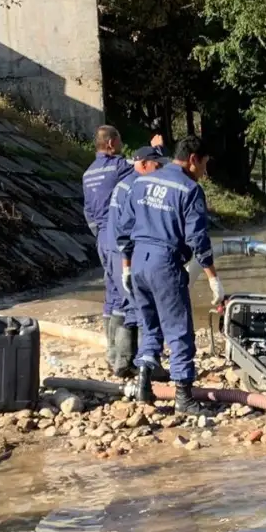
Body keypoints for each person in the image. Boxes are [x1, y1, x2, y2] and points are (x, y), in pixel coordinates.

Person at [117, 135, 224, 417]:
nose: (203, 171)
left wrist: (126, 266)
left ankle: (143, 386)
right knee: (179, 331)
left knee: (149, 325)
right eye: (204, 165)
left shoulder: (140, 182)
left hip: (138, 260)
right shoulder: (189, 189)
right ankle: (184, 397)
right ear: (193, 159)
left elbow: (124, 228)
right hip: (165, 263)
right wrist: (213, 277)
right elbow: (198, 239)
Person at [105, 145, 169, 378]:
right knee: (144, 308)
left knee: (124, 305)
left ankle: (120, 361)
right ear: (143, 165)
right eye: (157, 165)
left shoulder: (125, 182)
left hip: (112, 249)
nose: (160, 170)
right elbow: (133, 227)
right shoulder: (137, 186)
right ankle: (147, 366)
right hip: (126, 253)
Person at [82, 126, 135, 369]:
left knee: (112, 295)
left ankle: (111, 353)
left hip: (101, 238)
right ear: (112, 143)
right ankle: (123, 360)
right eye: (121, 139)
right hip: (117, 236)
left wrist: (100, 234)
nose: (123, 143)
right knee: (127, 295)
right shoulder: (118, 167)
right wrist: (156, 149)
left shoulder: (88, 173)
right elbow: (144, 168)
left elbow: (88, 212)